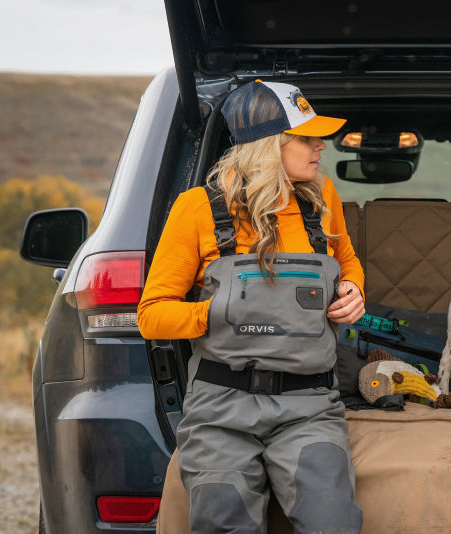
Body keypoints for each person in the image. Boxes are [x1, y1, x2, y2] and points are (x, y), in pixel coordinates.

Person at [138, 79, 365, 534]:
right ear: (267, 146)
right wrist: (218, 312)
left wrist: (353, 292)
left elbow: (347, 262)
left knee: (333, 524)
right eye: (305, 137)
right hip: (221, 409)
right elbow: (152, 314)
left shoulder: (322, 201)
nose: (320, 146)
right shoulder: (197, 210)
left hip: (310, 405)